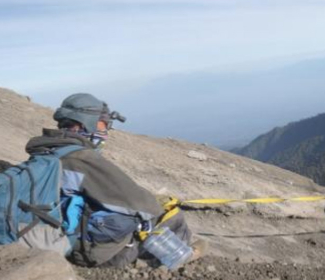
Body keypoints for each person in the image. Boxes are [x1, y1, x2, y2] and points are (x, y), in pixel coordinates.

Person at [24, 93, 206, 267]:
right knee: (168, 214)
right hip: (89, 251)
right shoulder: (81, 159)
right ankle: (177, 259)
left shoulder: (46, 153)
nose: (105, 133)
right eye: (102, 126)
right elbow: (139, 202)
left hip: (60, 236)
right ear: (81, 125)